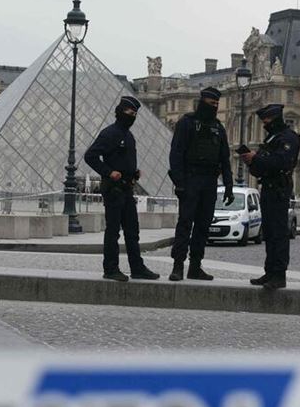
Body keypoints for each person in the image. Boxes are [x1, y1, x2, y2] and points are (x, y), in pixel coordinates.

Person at [84, 96, 160, 281]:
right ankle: (110, 269)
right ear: (120, 111)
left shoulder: (128, 135)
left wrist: (134, 173)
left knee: (132, 231)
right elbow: (90, 156)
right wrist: (109, 172)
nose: (132, 116)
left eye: (134, 114)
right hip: (114, 189)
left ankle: (137, 268)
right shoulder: (109, 133)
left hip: (127, 188)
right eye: (129, 112)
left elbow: (124, 160)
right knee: (113, 231)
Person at [167, 86, 234, 281]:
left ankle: (195, 265)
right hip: (191, 179)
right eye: (211, 103)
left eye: (216, 104)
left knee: (203, 226)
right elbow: (176, 154)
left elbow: (225, 158)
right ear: (202, 101)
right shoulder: (186, 123)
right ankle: (178, 265)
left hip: (210, 181)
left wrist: (229, 186)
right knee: (185, 224)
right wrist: (179, 182)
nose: (214, 107)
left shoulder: (218, 128)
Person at [241, 104, 300, 289]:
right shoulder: (271, 138)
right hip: (267, 187)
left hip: (279, 189)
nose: (265, 123)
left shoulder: (288, 138)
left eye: (266, 120)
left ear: (275, 118)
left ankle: (279, 274)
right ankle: (270, 271)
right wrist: (251, 162)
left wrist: (256, 159)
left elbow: (281, 162)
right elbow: (261, 168)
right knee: (269, 231)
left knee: (279, 232)